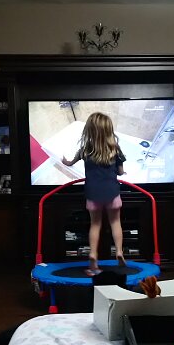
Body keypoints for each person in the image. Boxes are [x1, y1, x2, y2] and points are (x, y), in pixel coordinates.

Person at [62, 112, 127, 275]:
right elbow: (120, 172)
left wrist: (65, 161)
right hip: (112, 192)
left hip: (93, 194)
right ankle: (119, 251)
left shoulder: (85, 149)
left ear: (89, 130)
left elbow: (70, 163)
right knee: (115, 222)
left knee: (95, 224)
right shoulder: (115, 149)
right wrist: (119, 171)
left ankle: (92, 254)